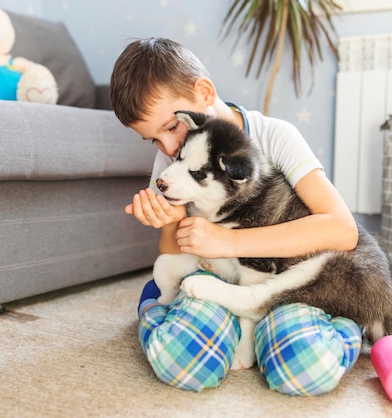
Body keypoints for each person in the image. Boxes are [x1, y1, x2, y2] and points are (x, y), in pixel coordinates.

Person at [110, 37, 362, 396]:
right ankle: (160, 313)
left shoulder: (276, 136)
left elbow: (342, 230)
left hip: (285, 284)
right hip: (215, 278)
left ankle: (343, 325)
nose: (168, 150)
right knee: (180, 360)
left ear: (204, 91)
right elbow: (176, 250)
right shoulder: (171, 159)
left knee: (306, 368)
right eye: (153, 141)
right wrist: (166, 220)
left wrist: (230, 241)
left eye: (170, 128)